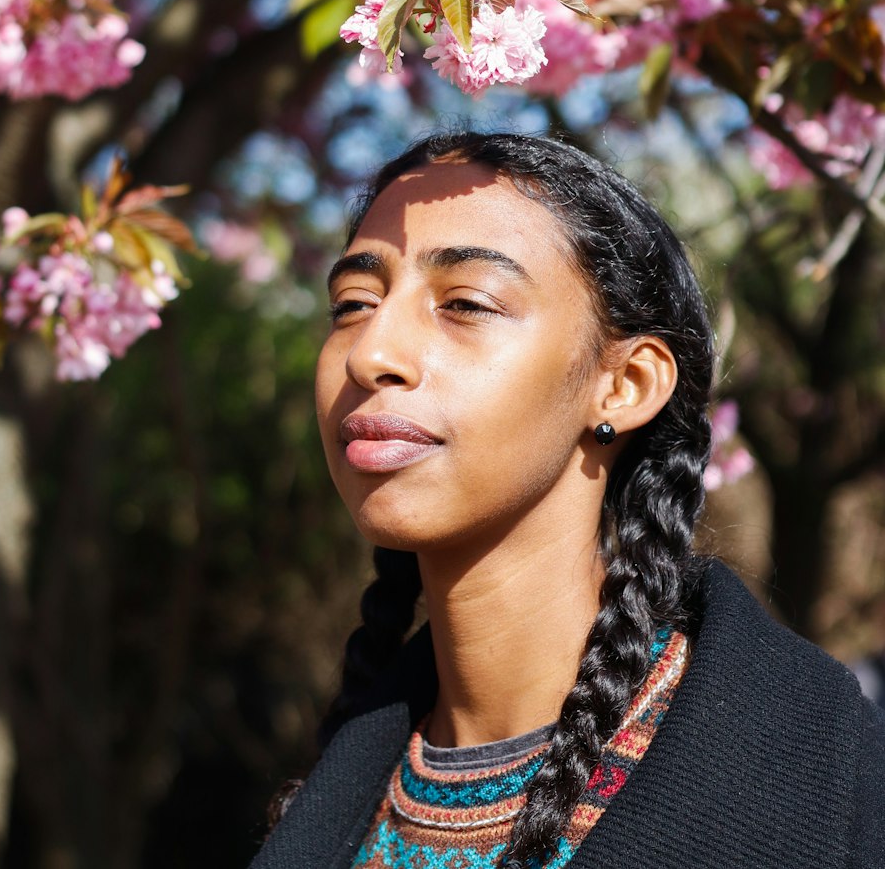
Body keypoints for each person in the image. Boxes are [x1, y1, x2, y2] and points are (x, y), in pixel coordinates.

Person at [249, 131, 885, 869]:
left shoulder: (826, 780)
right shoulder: (338, 800)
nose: (370, 353)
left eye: (466, 302)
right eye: (353, 303)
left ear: (625, 385)